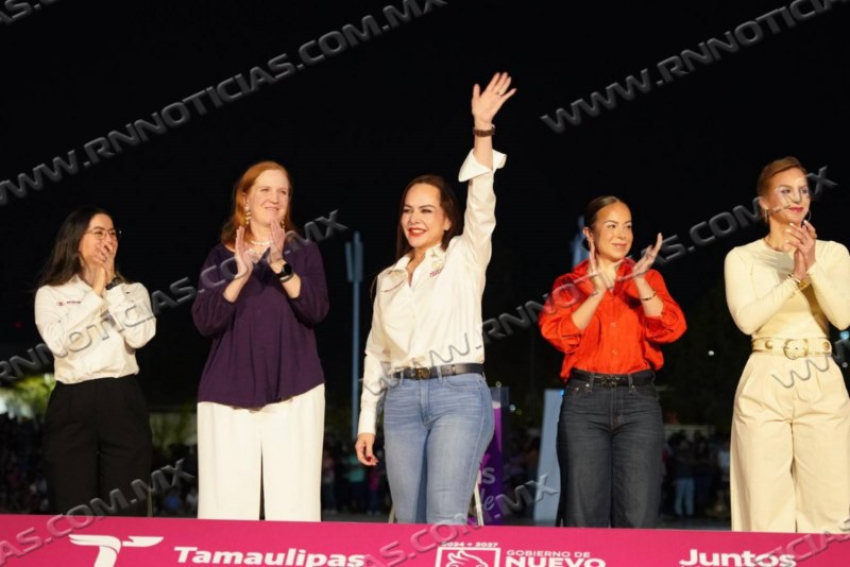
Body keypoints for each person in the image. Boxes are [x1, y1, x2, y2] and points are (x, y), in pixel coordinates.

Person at [354, 72, 516, 524]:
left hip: (458, 394)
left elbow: (481, 200)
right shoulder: (386, 278)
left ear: (448, 221)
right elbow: (376, 354)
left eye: (426, 210)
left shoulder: (465, 256)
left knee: (445, 516)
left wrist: (482, 130)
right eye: (407, 210)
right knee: (408, 520)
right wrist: (367, 421)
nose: (414, 219)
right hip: (402, 400)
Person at [192, 161, 329, 520]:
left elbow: (316, 309)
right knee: (226, 511)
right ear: (245, 200)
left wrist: (281, 266)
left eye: (282, 191)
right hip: (228, 395)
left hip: (296, 390)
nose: (275, 198)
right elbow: (204, 320)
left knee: (295, 509)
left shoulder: (304, 252)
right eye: (265, 190)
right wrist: (239, 277)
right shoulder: (220, 256)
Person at [538, 196, 686, 528]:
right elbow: (558, 335)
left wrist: (640, 281)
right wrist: (595, 292)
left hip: (639, 403)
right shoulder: (568, 284)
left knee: (638, 515)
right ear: (589, 234)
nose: (622, 234)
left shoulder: (647, 279)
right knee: (583, 515)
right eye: (611, 226)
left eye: (628, 226)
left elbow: (671, 328)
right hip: (584, 403)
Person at [724, 156, 850, 533]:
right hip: (766, 373)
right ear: (764, 203)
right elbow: (747, 320)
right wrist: (794, 279)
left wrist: (811, 266)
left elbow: (842, 317)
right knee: (763, 507)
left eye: (803, 190)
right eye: (785, 191)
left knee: (829, 502)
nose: (798, 197)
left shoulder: (833, 252)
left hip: (820, 373)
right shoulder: (742, 257)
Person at [35, 207, 156, 516]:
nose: (108, 240)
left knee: (128, 502)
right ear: (76, 240)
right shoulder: (51, 293)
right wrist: (95, 292)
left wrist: (112, 286)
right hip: (73, 399)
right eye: (99, 232)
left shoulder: (133, 290)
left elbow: (141, 335)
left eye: (113, 233)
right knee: (72, 504)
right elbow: (59, 343)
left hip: (122, 397)